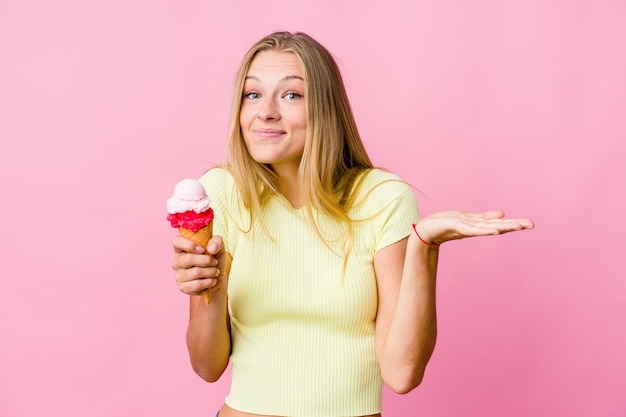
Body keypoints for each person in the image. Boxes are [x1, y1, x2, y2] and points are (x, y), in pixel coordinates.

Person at [170, 31, 534, 417]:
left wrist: (424, 247)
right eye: (252, 94)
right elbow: (207, 366)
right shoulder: (220, 193)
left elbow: (402, 373)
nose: (266, 111)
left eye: (291, 95)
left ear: (325, 108)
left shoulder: (383, 198)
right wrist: (214, 282)